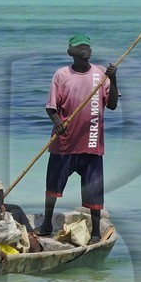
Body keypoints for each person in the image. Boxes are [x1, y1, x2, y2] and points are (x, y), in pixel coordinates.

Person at [43, 33, 118, 240]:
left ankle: (95, 231)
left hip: (92, 142)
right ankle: (47, 223)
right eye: (79, 46)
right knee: (53, 187)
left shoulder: (101, 74)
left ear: (91, 51)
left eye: (87, 45)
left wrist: (113, 78)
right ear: (70, 52)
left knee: (94, 192)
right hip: (64, 143)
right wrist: (58, 122)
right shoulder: (61, 75)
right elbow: (51, 108)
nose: (84, 48)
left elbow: (111, 105)